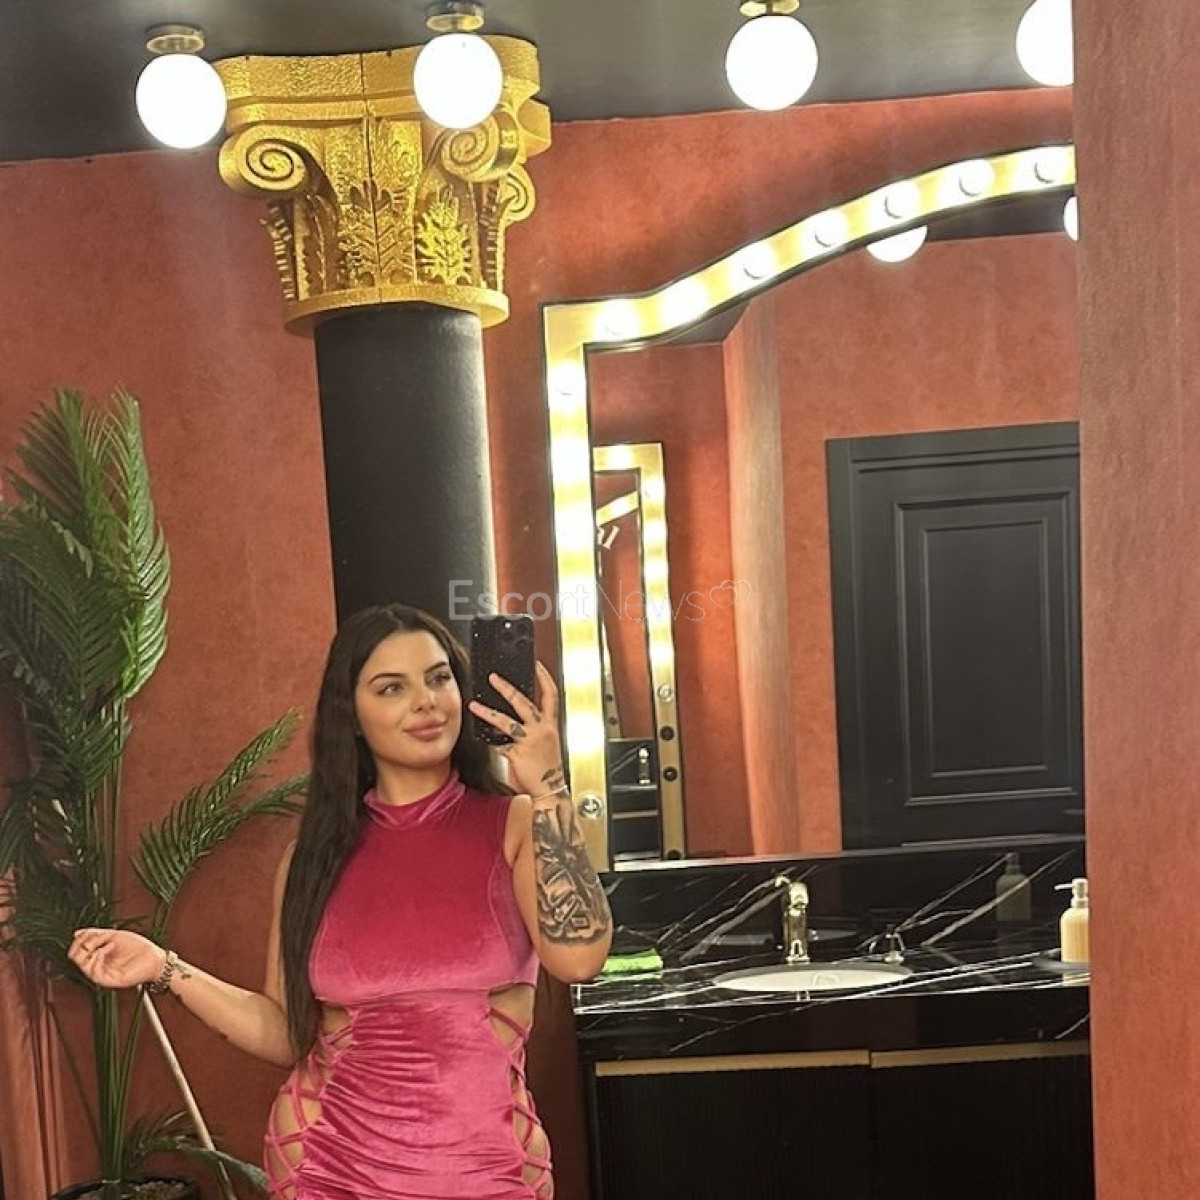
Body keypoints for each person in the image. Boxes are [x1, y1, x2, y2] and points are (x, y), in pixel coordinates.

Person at [70, 603, 613, 1200]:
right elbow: (284, 1032)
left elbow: (579, 959)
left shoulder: (515, 823)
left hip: (489, 1172)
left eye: (438, 678)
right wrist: (164, 967)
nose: (426, 702)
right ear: (351, 714)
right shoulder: (312, 858)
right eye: (392, 688)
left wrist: (548, 787)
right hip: (329, 1168)